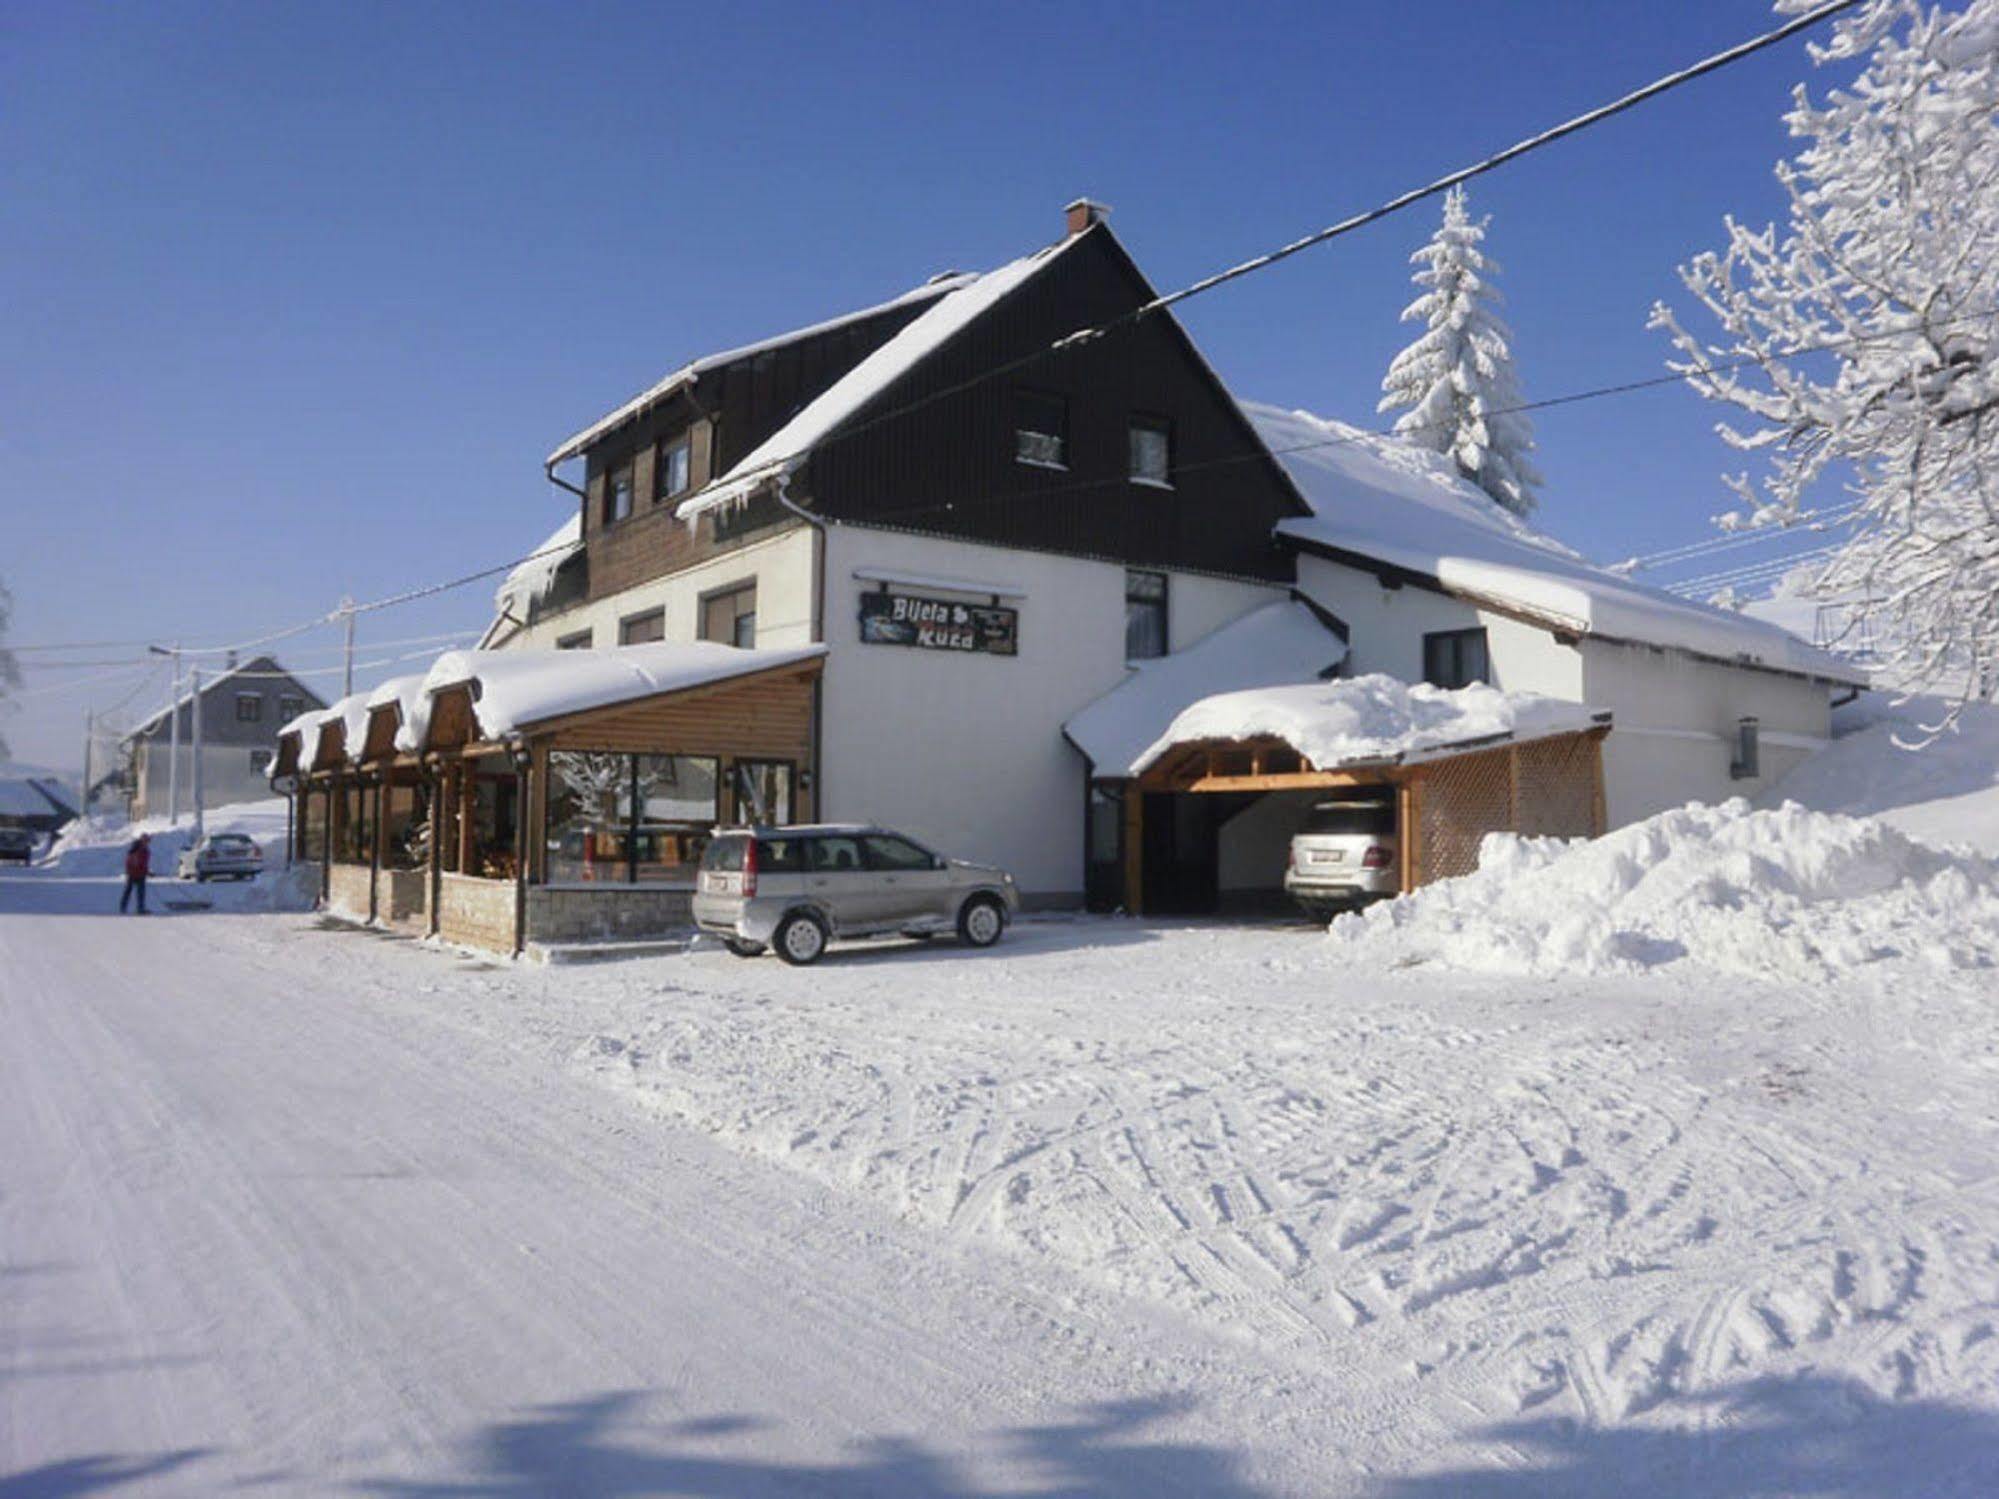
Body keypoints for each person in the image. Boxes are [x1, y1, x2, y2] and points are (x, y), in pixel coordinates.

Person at [120, 833, 151, 915]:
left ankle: (140, 908)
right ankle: (123, 907)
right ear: (142, 841)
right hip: (133, 874)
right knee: (128, 891)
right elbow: (132, 862)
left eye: (148, 841)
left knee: (141, 892)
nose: (147, 843)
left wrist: (147, 871)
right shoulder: (135, 849)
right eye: (146, 841)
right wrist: (131, 870)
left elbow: (144, 863)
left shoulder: (145, 851)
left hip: (140, 874)